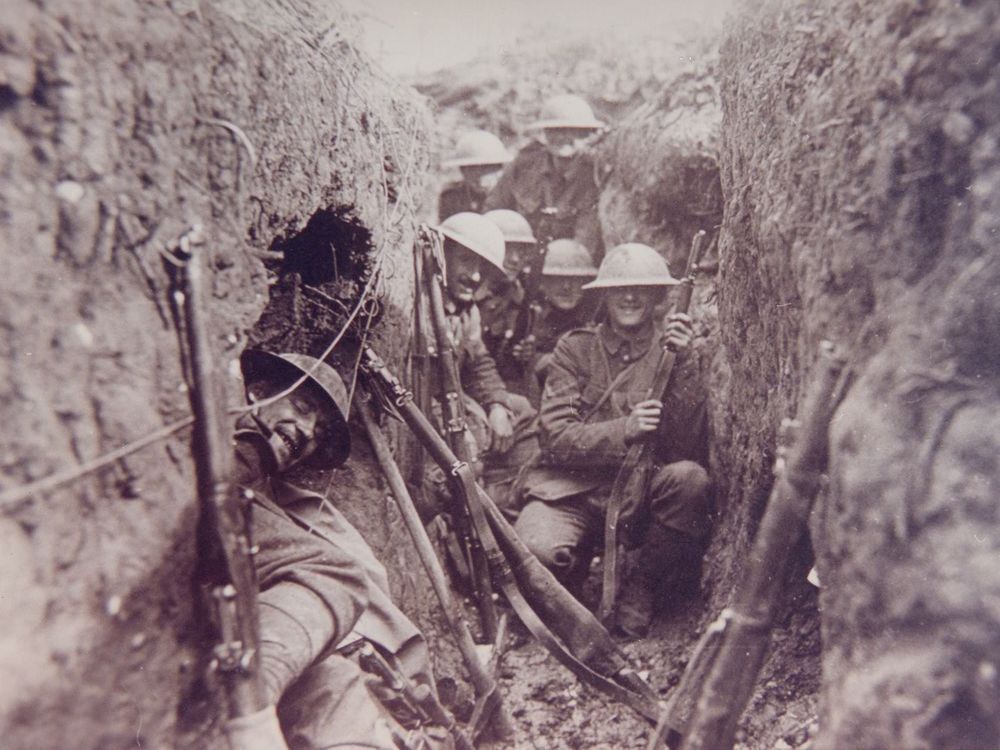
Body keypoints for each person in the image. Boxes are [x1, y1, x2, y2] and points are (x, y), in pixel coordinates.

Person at [231, 349, 450, 749]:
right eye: (301, 407)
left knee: (341, 686)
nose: (305, 431)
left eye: (317, 432)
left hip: (295, 658)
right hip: (217, 657)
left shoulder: (299, 507)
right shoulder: (221, 453)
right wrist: (251, 449)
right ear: (257, 391)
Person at [514, 243, 711, 638]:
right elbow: (555, 437)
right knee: (534, 552)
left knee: (691, 482)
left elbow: (689, 445)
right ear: (604, 293)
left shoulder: (671, 353)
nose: (631, 296)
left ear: (658, 296)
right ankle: (572, 577)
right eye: (620, 288)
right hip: (571, 492)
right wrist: (625, 429)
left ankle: (641, 584)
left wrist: (684, 362)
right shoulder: (575, 349)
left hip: (639, 496)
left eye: (642, 287)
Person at [485, 94, 605, 261]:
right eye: (555, 130)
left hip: (568, 269)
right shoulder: (524, 166)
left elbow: (584, 242)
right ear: (545, 133)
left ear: (587, 135)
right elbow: (493, 211)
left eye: (573, 131)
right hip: (518, 262)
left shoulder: (594, 178)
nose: (563, 137)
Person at [509, 238, 598, 398]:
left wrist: (537, 360)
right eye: (558, 279)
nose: (566, 287)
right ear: (543, 282)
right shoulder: (531, 317)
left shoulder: (596, 322)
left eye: (575, 279)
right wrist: (519, 356)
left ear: (586, 283)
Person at [478, 209, 537, 392]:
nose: (515, 259)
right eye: (506, 249)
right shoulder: (468, 293)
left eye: (521, 251)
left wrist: (525, 353)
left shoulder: (518, 293)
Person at [438, 130, 511, 220]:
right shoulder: (452, 198)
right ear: (462, 171)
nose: (480, 178)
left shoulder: (511, 197)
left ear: (499, 169)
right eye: (472, 169)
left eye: (486, 168)